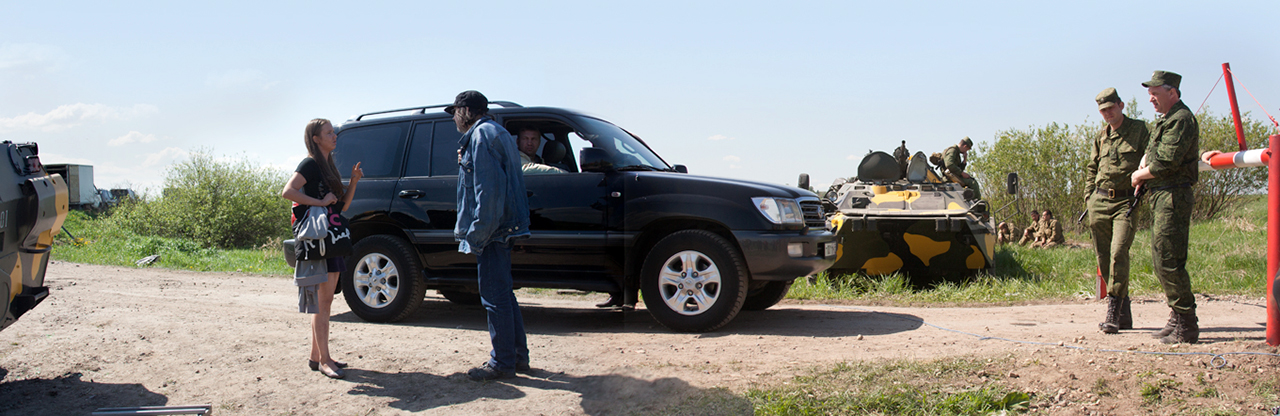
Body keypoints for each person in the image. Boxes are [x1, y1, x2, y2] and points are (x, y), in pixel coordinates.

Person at [448, 90, 533, 380]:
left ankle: (502, 363)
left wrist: (477, 234)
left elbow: (489, 193)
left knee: (494, 297)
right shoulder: (496, 133)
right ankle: (517, 357)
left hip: (493, 231)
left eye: (455, 112)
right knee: (503, 294)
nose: (454, 119)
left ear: (465, 111)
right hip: (502, 228)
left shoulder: (481, 136)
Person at [281, 118, 363, 379]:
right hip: (318, 241)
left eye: (333, 131)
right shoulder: (309, 164)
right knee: (322, 303)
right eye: (328, 132)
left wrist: (353, 181)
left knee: (325, 301)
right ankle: (325, 361)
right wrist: (319, 202)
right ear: (316, 139)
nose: (334, 135)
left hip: (331, 239)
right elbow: (288, 191)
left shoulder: (329, 166)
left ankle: (316, 356)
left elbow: (341, 207)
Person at [1130, 71, 1201, 344]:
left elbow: (1167, 161)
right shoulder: (1167, 120)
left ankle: (1186, 323)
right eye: (1149, 94)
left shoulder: (1181, 119)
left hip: (1173, 195)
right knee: (1161, 259)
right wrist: (1144, 165)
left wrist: (1139, 175)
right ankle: (1177, 316)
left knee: (1170, 260)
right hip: (1162, 194)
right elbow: (1155, 154)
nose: (1151, 99)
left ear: (1172, 92)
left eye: (1155, 93)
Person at [1086, 87, 1151, 334]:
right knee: (1103, 257)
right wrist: (1088, 198)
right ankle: (1124, 312)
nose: (1107, 113)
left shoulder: (1140, 130)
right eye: (1103, 110)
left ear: (1121, 105)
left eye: (1111, 108)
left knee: (1118, 252)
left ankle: (1113, 310)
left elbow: (1155, 153)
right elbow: (1092, 167)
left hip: (1126, 202)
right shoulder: (1101, 136)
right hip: (1099, 202)